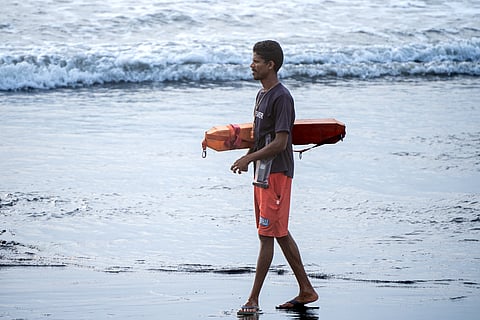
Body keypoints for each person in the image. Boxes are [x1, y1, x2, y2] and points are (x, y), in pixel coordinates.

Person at [231, 40, 318, 316]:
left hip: (278, 174)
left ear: (271, 65)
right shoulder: (261, 95)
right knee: (277, 233)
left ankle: (253, 299)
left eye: (256, 60)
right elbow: (260, 137)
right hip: (263, 175)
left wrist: (248, 158)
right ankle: (306, 289)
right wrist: (245, 155)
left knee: (267, 235)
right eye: (252, 59)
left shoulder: (282, 97)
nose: (251, 64)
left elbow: (281, 142)